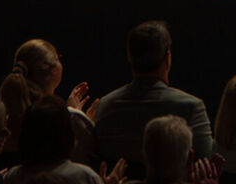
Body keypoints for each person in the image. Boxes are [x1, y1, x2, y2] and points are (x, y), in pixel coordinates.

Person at [89, 20, 214, 169]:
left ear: (129, 56)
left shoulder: (105, 105)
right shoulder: (192, 107)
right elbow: (204, 166)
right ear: (168, 58)